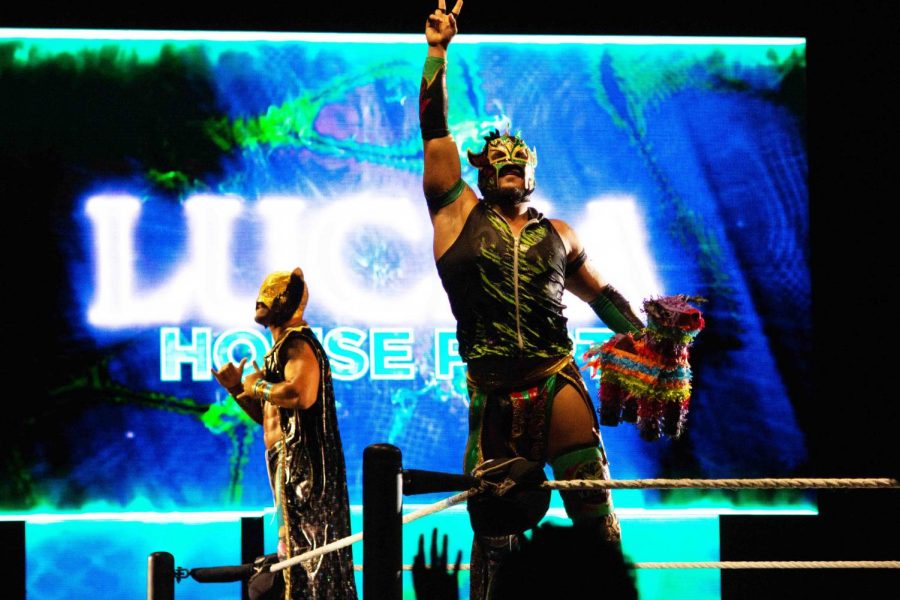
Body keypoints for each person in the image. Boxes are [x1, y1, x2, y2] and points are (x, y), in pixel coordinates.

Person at [420, 2, 645, 596]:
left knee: (592, 506)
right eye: (497, 162)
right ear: (483, 173)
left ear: (532, 172)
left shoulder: (560, 233)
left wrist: (648, 337)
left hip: (554, 377)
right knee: (495, 532)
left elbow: (599, 296)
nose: (509, 166)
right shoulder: (456, 214)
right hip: (493, 389)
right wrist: (439, 52)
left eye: (518, 161)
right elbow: (435, 132)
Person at [212, 267, 357, 599]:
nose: (259, 299)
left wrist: (258, 385)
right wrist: (237, 389)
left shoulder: (298, 343)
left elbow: (300, 395)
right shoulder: (280, 349)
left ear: (287, 301)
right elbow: (272, 419)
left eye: (270, 293)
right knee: (292, 547)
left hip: (305, 468)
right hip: (286, 462)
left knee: (306, 553)